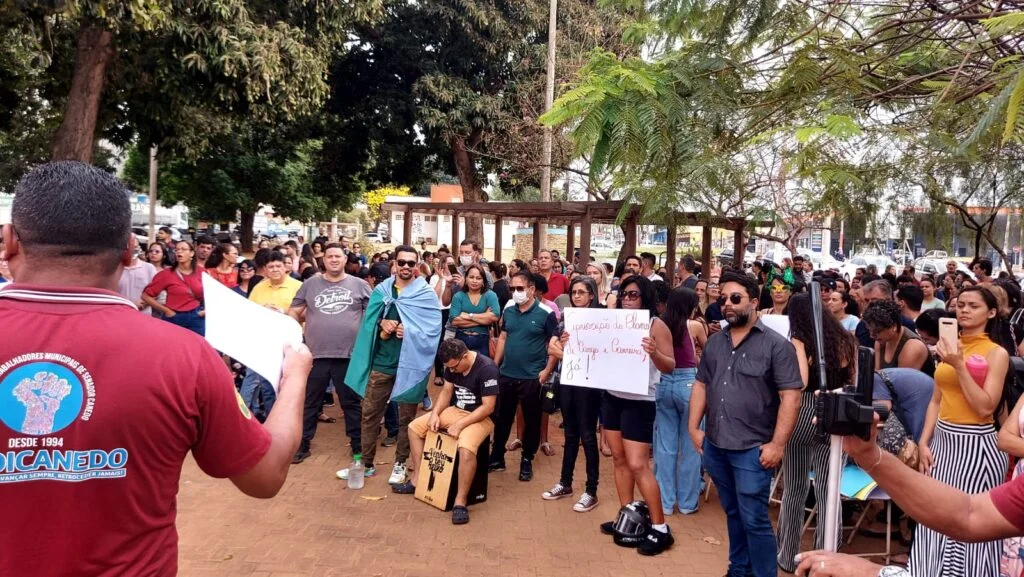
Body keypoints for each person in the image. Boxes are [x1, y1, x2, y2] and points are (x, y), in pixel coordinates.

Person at [0, 161, 312, 576]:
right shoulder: (184, 357)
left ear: (8, 241)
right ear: (130, 250)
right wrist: (296, 374)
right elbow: (266, 475)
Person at [689, 271, 803, 577]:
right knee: (734, 514)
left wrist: (778, 444)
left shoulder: (778, 346)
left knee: (755, 519)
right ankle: (738, 569)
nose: (727, 304)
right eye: (722, 298)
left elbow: (791, 397)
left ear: (753, 302)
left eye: (735, 298)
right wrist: (693, 428)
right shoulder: (715, 342)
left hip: (752, 450)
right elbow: (701, 384)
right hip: (716, 445)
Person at [911, 285, 1009, 576]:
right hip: (943, 440)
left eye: (973, 306)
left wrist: (958, 365)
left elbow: (985, 408)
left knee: (970, 522)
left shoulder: (996, 353)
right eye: (961, 304)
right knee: (935, 515)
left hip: (977, 444)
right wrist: (924, 441)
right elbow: (936, 399)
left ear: (991, 313)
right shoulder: (948, 344)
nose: (964, 310)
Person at [341, 246, 441, 485]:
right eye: (402, 262)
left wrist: (411, 331)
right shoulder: (382, 291)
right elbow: (369, 322)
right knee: (370, 413)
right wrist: (381, 323)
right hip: (382, 362)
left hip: (412, 366)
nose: (406, 267)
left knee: (407, 417)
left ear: (417, 265)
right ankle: (365, 464)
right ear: (394, 264)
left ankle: (400, 463)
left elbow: (434, 329)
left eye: (411, 263)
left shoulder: (425, 294)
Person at [595, 275, 677, 555]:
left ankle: (660, 527)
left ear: (646, 298)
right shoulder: (612, 321)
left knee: (638, 464)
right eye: (624, 295)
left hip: (640, 400)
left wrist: (654, 353)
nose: (628, 299)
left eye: (634, 295)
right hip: (612, 397)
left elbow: (670, 366)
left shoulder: (657, 325)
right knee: (618, 459)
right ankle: (627, 515)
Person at [777, 292, 857, 573]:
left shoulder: (799, 340)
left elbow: (800, 381)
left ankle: (786, 554)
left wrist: (797, 347)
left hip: (802, 410)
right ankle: (828, 558)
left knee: (795, 488)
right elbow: (852, 380)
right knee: (829, 488)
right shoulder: (845, 339)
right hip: (835, 408)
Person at [392, 339, 497, 523]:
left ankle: (460, 502)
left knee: (465, 449)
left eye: (455, 367)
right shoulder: (452, 365)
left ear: (464, 356)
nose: (453, 371)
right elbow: (447, 392)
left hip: (480, 417)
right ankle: (417, 479)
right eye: (450, 368)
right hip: (456, 410)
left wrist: (461, 424)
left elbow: (488, 407)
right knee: (415, 428)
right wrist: (435, 414)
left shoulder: (487, 368)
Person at [287, 243, 372, 464]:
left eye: (338, 256)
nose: (334, 260)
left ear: (345, 260)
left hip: (349, 355)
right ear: (322, 260)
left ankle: (357, 446)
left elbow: (373, 313)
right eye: (329, 256)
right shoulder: (310, 284)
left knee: (351, 403)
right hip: (316, 355)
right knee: (310, 403)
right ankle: (302, 445)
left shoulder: (360, 285)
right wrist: (295, 329)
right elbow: (294, 310)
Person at [542, 276, 604, 513]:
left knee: (588, 436)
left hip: (591, 383)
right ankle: (565, 483)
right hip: (569, 379)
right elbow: (552, 346)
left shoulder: (602, 317)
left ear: (591, 295)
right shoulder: (567, 317)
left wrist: (566, 350)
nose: (576, 296)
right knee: (570, 433)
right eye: (574, 292)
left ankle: (591, 490)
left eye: (581, 292)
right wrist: (565, 348)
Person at [489, 271, 559, 481]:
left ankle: (527, 458)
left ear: (531, 289)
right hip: (507, 374)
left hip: (532, 377)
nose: (516, 293)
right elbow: (503, 337)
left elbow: (554, 345)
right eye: (512, 289)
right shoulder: (509, 309)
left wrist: (546, 371)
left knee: (532, 420)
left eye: (520, 288)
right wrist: (495, 364)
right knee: (502, 418)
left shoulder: (546, 313)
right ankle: (497, 457)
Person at [652, 287, 703, 516]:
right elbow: (708, 349)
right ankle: (687, 502)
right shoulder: (693, 326)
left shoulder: (658, 325)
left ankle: (664, 501)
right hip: (689, 383)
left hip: (663, 382)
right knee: (692, 446)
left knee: (665, 446)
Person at [240, 252, 303, 418]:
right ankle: (269, 419)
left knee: (286, 382)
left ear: (285, 268)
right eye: (271, 267)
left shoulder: (297, 286)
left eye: (278, 266)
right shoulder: (259, 288)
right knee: (265, 383)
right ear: (265, 270)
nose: (275, 269)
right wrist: (263, 310)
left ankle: (285, 419)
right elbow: (249, 312)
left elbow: (305, 312)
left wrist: (283, 312)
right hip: (264, 341)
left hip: (289, 342)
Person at [142, 240, 206, 336]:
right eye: (177, 250)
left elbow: (213, 294)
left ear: (192, 253)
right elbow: (146, 296)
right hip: (174, 316)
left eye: (183, 249)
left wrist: (205, 311)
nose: (179, 252)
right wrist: (166, 311)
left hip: (196, 315)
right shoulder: (166, 274)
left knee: (196, 348)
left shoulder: (202, 272)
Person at [864, 300, 934, 377]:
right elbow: (877, 375)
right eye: (869, 330)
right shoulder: (880, 341)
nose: (872, 335)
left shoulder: (913, 347)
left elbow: (903, 383)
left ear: (893, 326)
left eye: (877, 331)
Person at [450, 263, 500, 358]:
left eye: (478, 278)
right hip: (461, 339)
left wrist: (469, 316)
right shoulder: (458, 296)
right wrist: (484, 317)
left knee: (481, 371)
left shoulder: (490, 295)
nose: (474, 281)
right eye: (471, 277)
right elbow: (454, 320)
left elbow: (495, 316)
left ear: (483, 281)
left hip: (483, 339)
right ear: (466, 279)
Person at [118, 235, 157, 313]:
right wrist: (130, 304)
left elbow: (156, 292)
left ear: (139, 248)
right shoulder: (115, 269)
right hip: (120, 314)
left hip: (144, 316)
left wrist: (143, 304)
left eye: (135, 246)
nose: (132, 250)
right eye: (128, 247)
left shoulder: (149, 268)